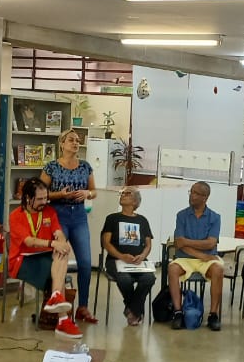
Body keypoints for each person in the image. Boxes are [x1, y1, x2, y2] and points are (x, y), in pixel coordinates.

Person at [8, 178, 81, 339]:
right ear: (28, 198)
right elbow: (29, 241)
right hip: (23, 260)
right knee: (58, 268)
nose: (44, 202)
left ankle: (57, 300)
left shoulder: (49, 211)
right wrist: (53, 243)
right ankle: (63, 319)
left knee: (62, 252)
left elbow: (58, 232)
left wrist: (61, 241)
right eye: (40, 199)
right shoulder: (16, 216)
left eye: (46, 198)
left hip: (46, 256)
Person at [41, 128, 97, 324]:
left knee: (85, 262)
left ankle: (83, 306)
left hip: (79, 215)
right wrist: (59, 195)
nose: (76, 143)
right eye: (71, 140)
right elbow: (40, 194)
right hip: (58, 215)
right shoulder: (51, 167)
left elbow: (94, 191)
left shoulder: (85, 167)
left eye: (78, 140)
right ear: (62, 144)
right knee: (60, 258)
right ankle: (59, 305)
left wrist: (87, 194)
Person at [168, 181, 225, 332]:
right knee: (172, 269)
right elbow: (179, 244)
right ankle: (178, 312)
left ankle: (213, 314)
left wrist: (188, 242)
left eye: (196, 193)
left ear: (205, 197)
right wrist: (200, 252)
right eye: (191, 192)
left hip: (208, 258)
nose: (192, 196)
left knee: (218, 269)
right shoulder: (181, 215)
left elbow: (210, 243)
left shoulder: (215, 217)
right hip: (186, 257)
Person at [101, 187, 155, 326]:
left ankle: (131, 309)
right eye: (122, 193)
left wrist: (142, 256)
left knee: (149, 278)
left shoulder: (143, 220)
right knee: (124, 279)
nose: (123, 195)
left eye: (128, 193)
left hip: (138, 261)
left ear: (135, 201)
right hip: (116, 260)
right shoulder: (112, 218)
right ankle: (136, 311)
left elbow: (148, 245)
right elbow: (106, 243)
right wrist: (121, 256)